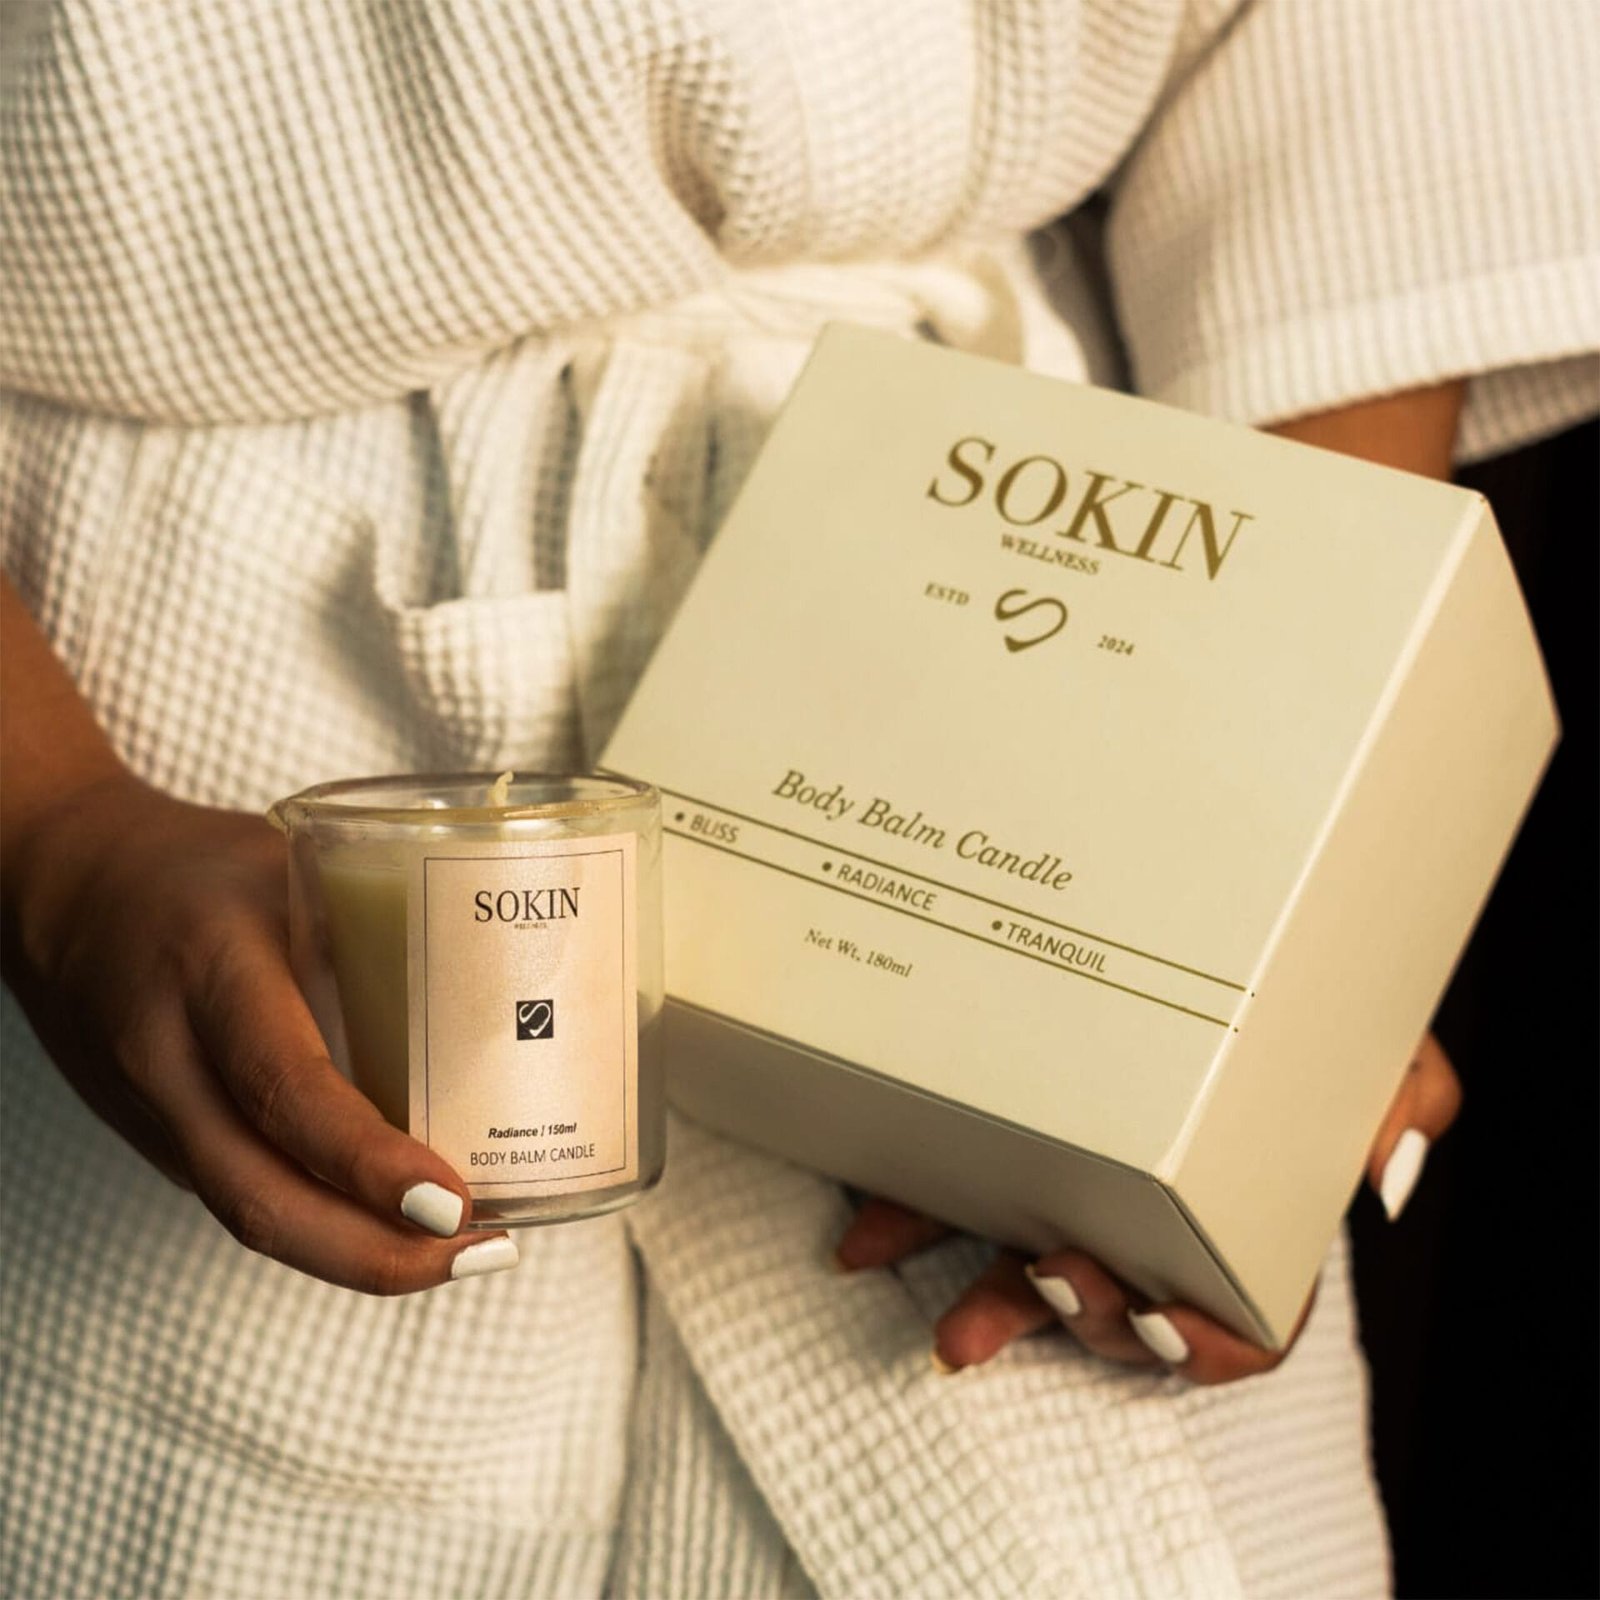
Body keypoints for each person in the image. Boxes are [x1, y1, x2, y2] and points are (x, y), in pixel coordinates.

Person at [2, 2, 1595, 1595]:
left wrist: (1304, 814)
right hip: (203, 700)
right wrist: (52, 828)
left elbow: (1368, 103)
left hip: (1033, 566)